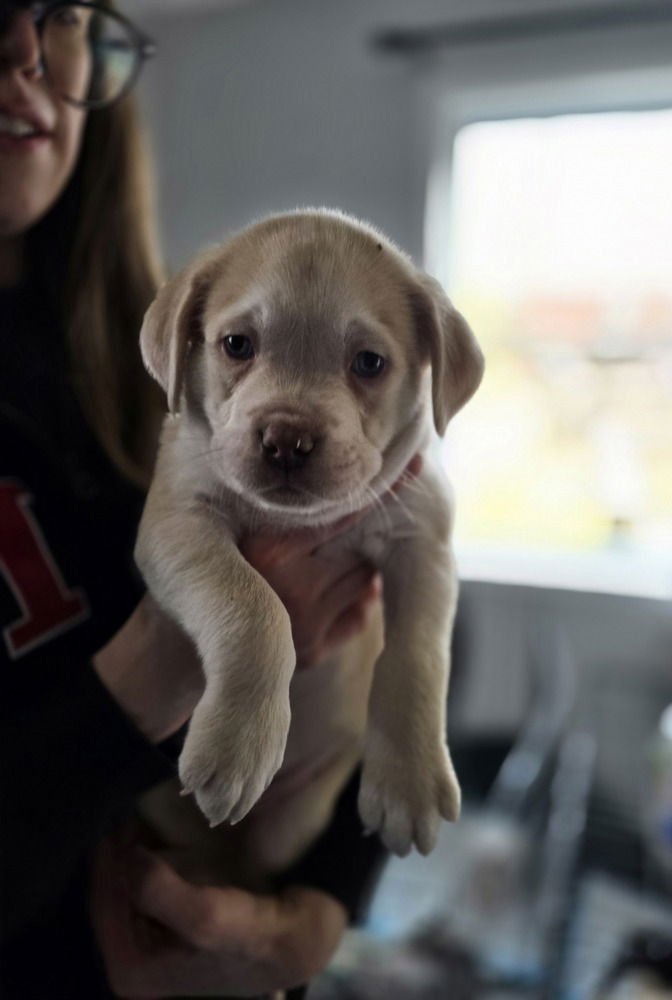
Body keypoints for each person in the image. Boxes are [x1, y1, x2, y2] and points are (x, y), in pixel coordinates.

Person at [0, 2, 393, 995]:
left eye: (60, 17)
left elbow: (358, 651)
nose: (26, 53)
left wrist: (313, 917)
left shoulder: (198, 358)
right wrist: (175, 653)